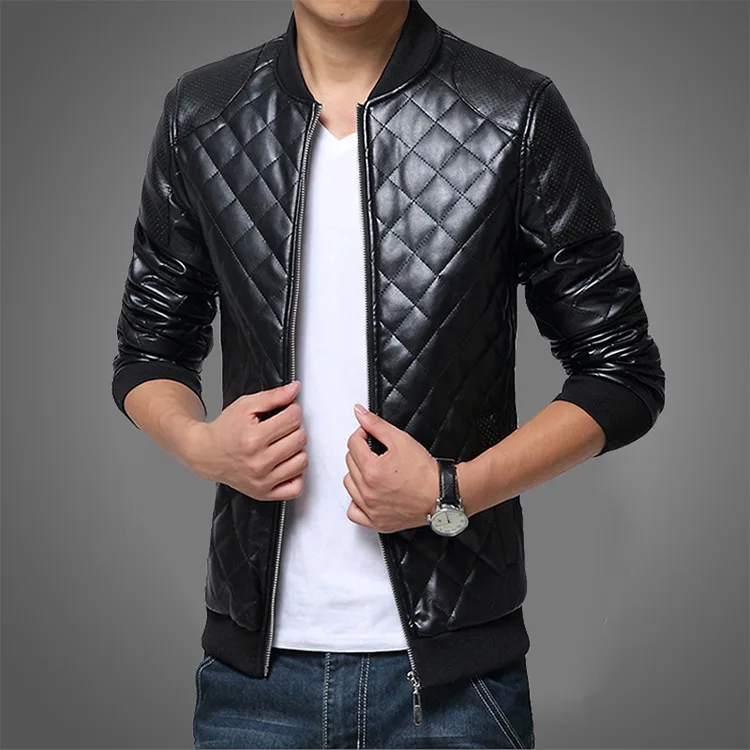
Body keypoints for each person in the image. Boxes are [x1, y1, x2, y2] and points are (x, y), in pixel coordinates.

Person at [111, 1, 666, 747]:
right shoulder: (202, 114)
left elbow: (621, 370)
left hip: (456, 686)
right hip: (253, 686)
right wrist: (200, 445)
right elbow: (149, 349)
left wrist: (452, 491)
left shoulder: (513, 112)